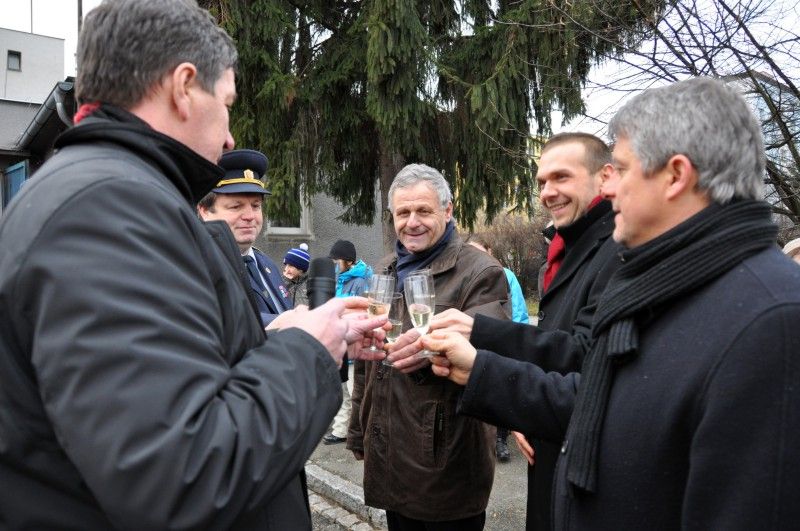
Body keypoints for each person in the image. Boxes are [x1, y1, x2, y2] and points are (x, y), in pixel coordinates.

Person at [0, 1, 386, 529]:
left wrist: (280, 338)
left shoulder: (105, 193)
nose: (230, 139)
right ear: (183, 87)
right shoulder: (109, 207)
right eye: (225, 103)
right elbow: (182, 476)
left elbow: (173, 385)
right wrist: (306, 351)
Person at [425, 77, 800, 529]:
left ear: (676, 176)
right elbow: (607, 405)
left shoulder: (773, 320)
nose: (611, 188)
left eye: (620, 169)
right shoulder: (671, 285)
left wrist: (483, 368)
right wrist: (484, 364)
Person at [432, 133, 619, 530]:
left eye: (561, 177)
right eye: (541, 183)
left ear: (605, 177)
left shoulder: (616, 248)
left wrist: (480, 364)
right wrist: (478, 330)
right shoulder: (571, 247)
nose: (548, 192)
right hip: (553, 447)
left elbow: (586, 359)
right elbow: (560, 348)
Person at [349, 163, 511, 530]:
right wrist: (359, 429)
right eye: (403, 213)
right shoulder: (385, 268)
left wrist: (432, 350)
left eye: (423, 210)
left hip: (446, 458)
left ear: (448, 210)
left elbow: (494, 360)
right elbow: (367, 360)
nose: (412, 222)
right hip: (390, 454)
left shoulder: (481, 272)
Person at [198, 149, 293, 326]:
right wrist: (296, 323)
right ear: (204, 211)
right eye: (236, 207)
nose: (250, 216)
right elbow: (225, 321)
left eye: (256, 206)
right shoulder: (197, 265)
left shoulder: (265, 263)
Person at [465, 234, 528, 463]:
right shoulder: (466, 275)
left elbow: (519, 311)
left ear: (489, 251)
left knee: (500, 390)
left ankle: (501, 440)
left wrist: (516, 341)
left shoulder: (506, 275)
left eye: (479, 251)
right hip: (474, 341)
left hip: (502, 339)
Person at [324, 240, 373, 444]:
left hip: (353, 346)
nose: (335, 265)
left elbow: (362, 313)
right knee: (343, 391)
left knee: (356, 393)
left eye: (337, 261)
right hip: (340, 344)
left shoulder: (359, 282)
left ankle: (363, 433)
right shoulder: (341, 279)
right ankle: (341, 429)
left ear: (348, 262)